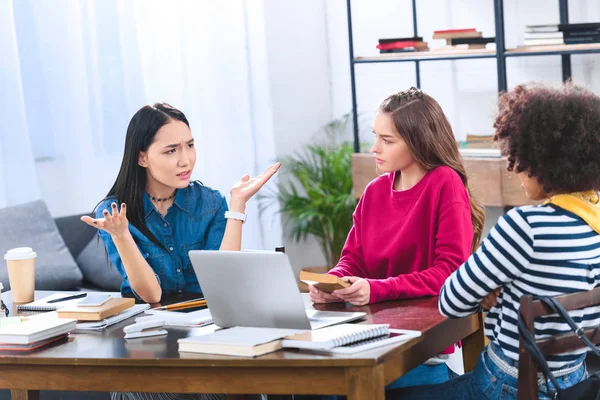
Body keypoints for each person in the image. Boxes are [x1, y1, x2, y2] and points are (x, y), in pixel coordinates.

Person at [387, 82, 600, 400]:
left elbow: (452, 300)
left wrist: (494, 295)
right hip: (572, 383)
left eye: (519, 159)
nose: (516, 171)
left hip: (504, 387)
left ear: (537, 161)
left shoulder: (525, 226)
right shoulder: (594, 225)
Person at [81, 103, 279, 400]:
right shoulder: (114, 213)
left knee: (232, 383)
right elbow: (151, 295)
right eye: (171, 150)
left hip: (209, 332)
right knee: (140, 390)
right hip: (148, 340)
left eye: (189, 146)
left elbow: (223, 282)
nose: (185, 160)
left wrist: (237, 206)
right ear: (142, 157)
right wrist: (121, 235)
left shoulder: (210, 202)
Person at [308, 87, 485, 389]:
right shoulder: (375, 191)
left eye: (387, 140)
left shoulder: (445, 183)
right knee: (309, 386)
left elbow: (450, 273)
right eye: (375, 136)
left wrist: (375, 290)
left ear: (418, 143)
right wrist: (332, 283)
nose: (375, 147)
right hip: (367, 333)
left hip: (422, 347)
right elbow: (353, 260)